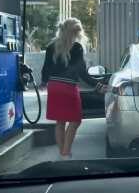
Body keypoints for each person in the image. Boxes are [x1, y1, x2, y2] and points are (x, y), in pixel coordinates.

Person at [41, 18, 106, 159]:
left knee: (60, 122)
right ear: (76, 32)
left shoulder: (51, 46)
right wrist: (99, 85)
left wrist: (45, 83)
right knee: (75, 120)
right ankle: (66, 152)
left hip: (53, 86)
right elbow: (82, 73)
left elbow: (45, 70)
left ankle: (63, 153)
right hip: (68, 87)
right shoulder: (77, 47)